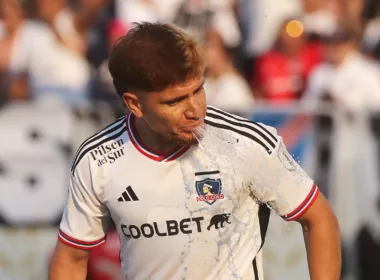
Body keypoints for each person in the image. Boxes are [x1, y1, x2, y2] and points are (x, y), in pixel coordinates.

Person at [49, 22, 341, 280]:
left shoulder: (245, 144)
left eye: (198, 90)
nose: (195, 110)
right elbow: (72, 259)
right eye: (174, 101)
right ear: (134, 104)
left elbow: (318, 219)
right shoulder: (97, 159)